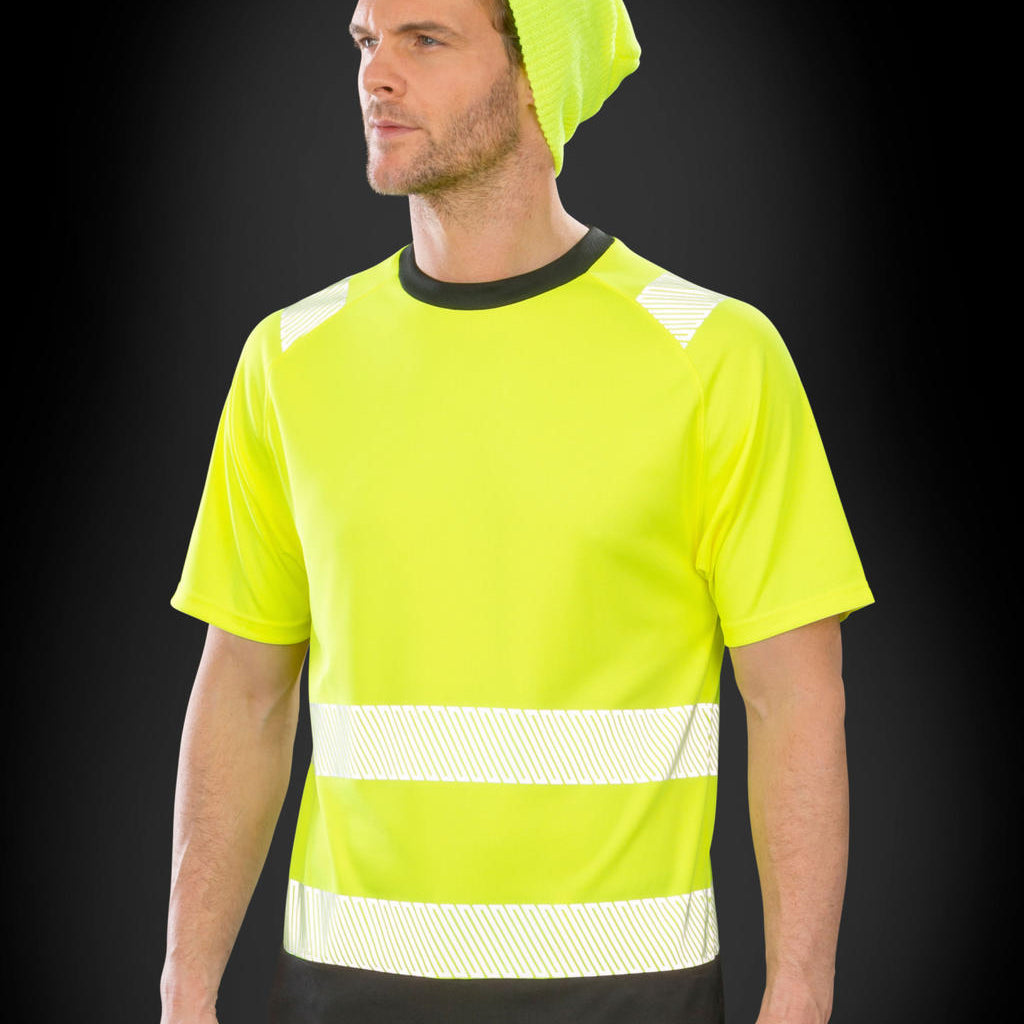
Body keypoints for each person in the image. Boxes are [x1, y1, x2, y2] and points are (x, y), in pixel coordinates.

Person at [160, 1, 874, 1022]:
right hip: (338, 992)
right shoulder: (288, 359)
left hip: (630, 997)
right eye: (366, 41)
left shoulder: (715, 356)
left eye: (425, 39)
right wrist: (184, 989)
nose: (376, 75)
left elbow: (794, 701)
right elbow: (243, 692)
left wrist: (798, 996)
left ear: (537, 71)